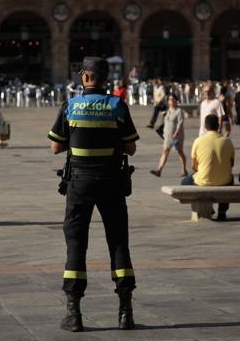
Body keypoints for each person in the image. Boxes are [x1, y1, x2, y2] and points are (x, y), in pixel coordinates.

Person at [48, 57, 139, 332]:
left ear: (84, 77)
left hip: (79, 183)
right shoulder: (117, 106)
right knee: (118, 242)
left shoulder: (71, 107)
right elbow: (131, 148)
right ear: (104, 78)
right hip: (111, 181)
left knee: (76, 243)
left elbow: (55, 147)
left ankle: (73, 313)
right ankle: (125, 312)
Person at [182, 115, 234, 221]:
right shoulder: (227, 141)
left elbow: (193, 166)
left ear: (205, 126)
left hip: (204, 180)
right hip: (224, 180)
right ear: (218, 125)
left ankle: (206, 207)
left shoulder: (198, 141)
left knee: (185, 182)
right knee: (230, 178)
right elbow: (231, 164)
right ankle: (222, 210)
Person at [150, 93, 187, 177]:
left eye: (173, 99)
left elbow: (180, 124)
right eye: (170, 99)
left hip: (177, 136)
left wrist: (176, 133)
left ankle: (184, 170)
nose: (171, 101)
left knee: (180, 152)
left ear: (176, 100)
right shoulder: (167, 110)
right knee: (165, 152)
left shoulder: (179, 111)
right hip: (167, 136)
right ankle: (159, 170)